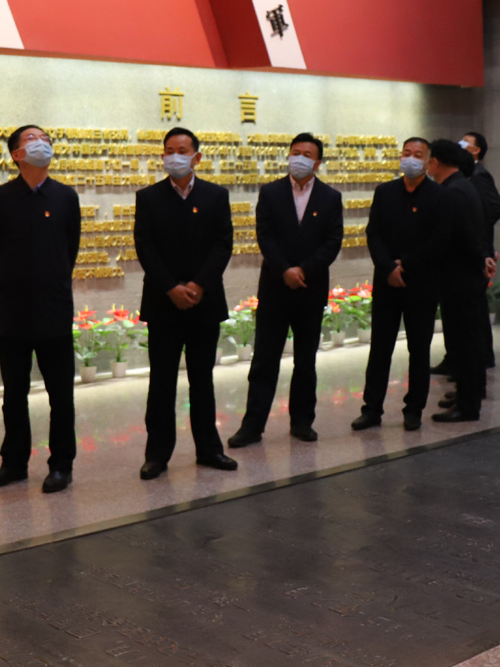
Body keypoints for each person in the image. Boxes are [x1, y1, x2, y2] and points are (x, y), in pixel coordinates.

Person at [0, 125, 82, 494]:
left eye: (45, 139)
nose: (42, 144)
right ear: (16, 154)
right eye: (31, 140)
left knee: (61, 395)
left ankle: (61, 465)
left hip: (54, 309)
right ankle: (14, 463)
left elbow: (70, 249)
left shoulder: (66, 197)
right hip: (14, 311)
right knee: (14, 394)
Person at [134, 127, 236, 477]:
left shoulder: (216, 195)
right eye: (168, 150)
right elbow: (144, 247)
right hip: (163, 304)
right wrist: (171, 288)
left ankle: (209, 449)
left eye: (181, 150)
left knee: (202, 380)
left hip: (204, 303)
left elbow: (223, 244)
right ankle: (157, 455)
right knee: (161, 382)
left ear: (197, 157)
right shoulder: (148, 197)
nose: (174, 156)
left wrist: (197, 285)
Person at [233, 133, 343, 445]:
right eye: (296, 152)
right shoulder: (270, 192)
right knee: (264, 361)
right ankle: (252, 426)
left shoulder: (330, 197)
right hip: (275, 288)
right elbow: (264, 235)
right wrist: (285, 269)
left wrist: (303, 270)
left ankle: (302, 422)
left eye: (307, 154)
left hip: (310, 288)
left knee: (305, 361)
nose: (300, 159)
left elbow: (332, 241)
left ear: (317, 162)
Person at [355, 138, 441, 431]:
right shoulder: (385, 191)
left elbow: (440, 239)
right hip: (386, 281)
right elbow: (374, 233)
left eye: (418, 154)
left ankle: (414, 409)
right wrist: (389, 267)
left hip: (422, 282)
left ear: (429, 162)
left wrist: (406, 263)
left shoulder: (439, 196)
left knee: (419, 348)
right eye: (407, 153)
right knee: (380, 348)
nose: (411, 158)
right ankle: (371, 409)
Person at [426, 139, 492, 421]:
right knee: (468, 340)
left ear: (435, 162)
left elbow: (457, 237)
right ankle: (468, 392)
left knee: (464, 342)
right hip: (466, 277)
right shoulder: (463, 186)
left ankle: (467, 404)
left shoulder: (453, 192)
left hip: (458, 279)